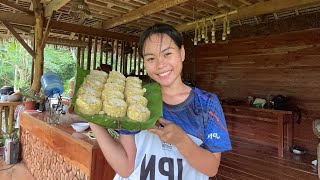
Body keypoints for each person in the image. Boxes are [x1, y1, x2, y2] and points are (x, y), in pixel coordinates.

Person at [89, 23, 232, 180]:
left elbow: (211, 169)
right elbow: (125, 169)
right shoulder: (135, 101)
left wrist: (182, 140)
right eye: (151, 58)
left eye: (167, 54)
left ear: (182, 53)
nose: (160, 64)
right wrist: (91, 119)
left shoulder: (206, 104)